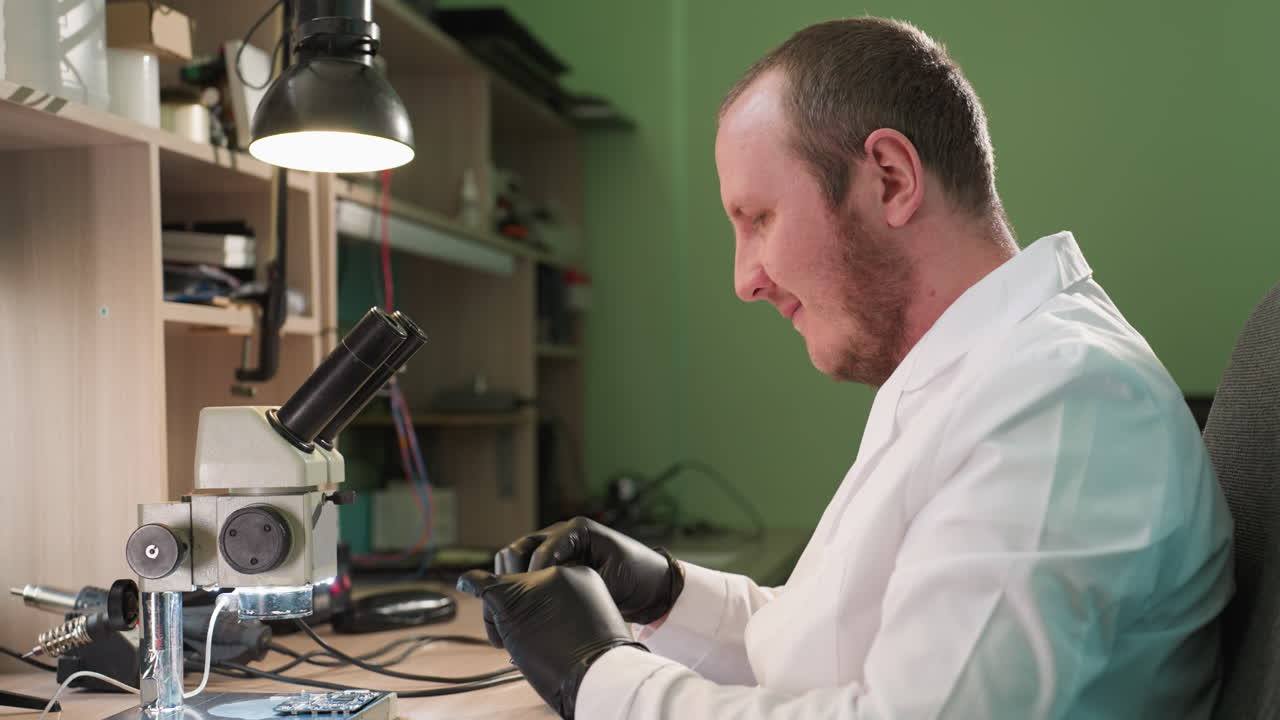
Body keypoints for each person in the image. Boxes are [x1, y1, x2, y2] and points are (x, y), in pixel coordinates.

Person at [458, 16, 1234, 720]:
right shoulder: (981, 375)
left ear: (890, 179)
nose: (745, 279)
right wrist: (664, 591)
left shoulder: (1061, 401)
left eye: (758, 219)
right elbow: (830, 651)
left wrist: (595, 673)